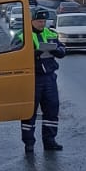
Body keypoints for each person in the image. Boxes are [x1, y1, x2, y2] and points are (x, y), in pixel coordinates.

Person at [22, 16, 64, 153]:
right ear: (31, 21)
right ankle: (29, 143)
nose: (42, 24)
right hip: (32, 78)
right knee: (29, 112)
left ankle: (50, 141)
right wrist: (35, 53)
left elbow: (63, 51)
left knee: (52, 110)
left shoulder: (51, 33)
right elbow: (15, 54)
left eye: (44, 21)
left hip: (49, 77)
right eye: (39, 21)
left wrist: (56, 50)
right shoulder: (23, 35)